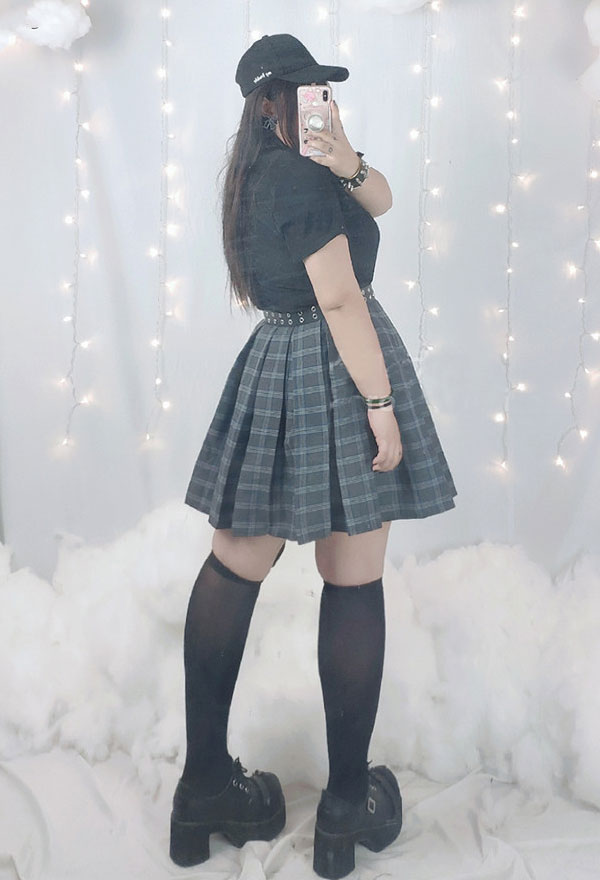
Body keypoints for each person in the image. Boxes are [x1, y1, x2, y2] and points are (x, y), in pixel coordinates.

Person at [169, 33, 457, 879]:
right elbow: (337, 296)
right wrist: (380, 404)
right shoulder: (294, 179)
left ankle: (202, 789)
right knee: (352, 576)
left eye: (321, 90)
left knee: (233, 565)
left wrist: (346, 158)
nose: (316, 102)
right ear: (268, 103)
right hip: (337, 367)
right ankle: (343, 812)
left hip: (277, 363)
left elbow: (384, 201)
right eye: (300, 92)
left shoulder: (275, 170)